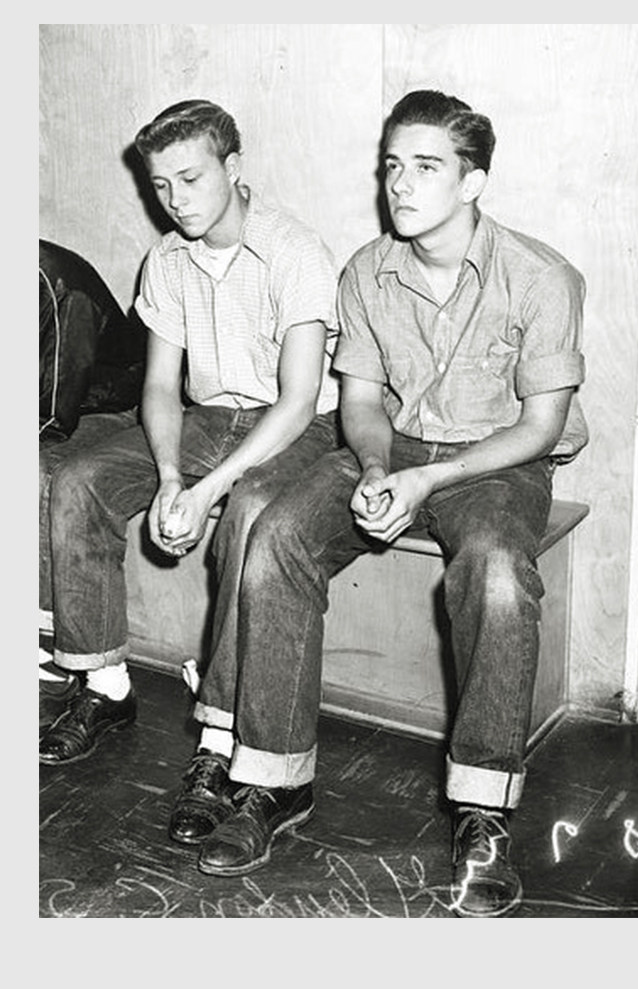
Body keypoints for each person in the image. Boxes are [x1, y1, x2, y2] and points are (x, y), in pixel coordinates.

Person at [169, 89, 589, 918]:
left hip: (495, 462)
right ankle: (274, 780)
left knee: (497, 572)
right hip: (390, 448)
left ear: (473, 182)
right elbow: (360, 404)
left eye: (426, 167)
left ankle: (483, 810)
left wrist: (430, 480)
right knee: (277, 534)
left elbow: (540, 427)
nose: (400, 184)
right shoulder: (366, 269)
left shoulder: (542, 276)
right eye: (393, 165)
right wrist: (371, 468)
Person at [39, 100, 341, 777]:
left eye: (190, 178)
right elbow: (158, 387)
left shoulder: (294, 250)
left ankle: (223, 730)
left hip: (297, 428)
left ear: (233, 168)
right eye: (161, 185)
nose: (175, 200)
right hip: (209, 419)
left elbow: (298, 402)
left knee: (250, 512)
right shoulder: (168, 258)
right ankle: (104, 684)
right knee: (80, 479)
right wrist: (172, 476)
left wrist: (207, 492)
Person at [39, 239, 147, 728]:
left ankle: (46, 653)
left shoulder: (57, 284)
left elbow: (49, 417)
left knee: (37, 471)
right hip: (59, 403)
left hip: (107, 407)